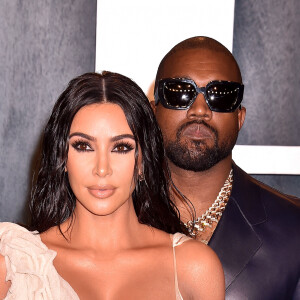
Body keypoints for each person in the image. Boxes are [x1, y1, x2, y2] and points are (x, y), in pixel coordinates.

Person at [0, 71, 224, 299]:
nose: (102, 169)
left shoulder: (194, 267)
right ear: (62, 157)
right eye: (83, 146)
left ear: (142, 160)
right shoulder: (13, 265)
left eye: (121, 147)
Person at [152, 36, 300, 299]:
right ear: (154, 111)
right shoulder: (112, 214)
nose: (199, 110)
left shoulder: (294, 228)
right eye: (179, 92)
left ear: (240, 117)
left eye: (220, 96)